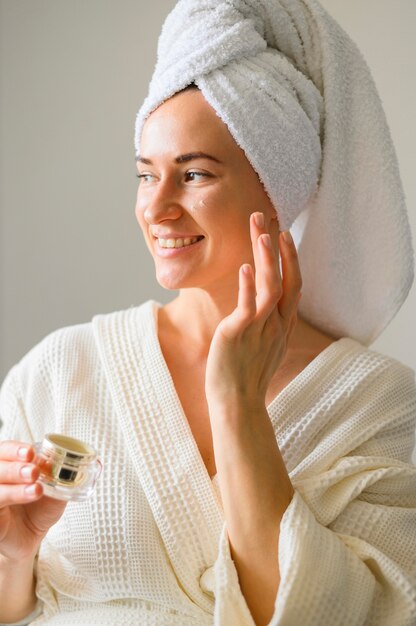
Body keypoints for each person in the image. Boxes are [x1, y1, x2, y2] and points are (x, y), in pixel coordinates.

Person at [1, 1, 415, 625]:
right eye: (147, 175)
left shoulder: (375, 405)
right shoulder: (60, 370)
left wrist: (238, 407)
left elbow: (351, 614)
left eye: (194, 174)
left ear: (278, 192)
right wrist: (14, 551)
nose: (157, 208)